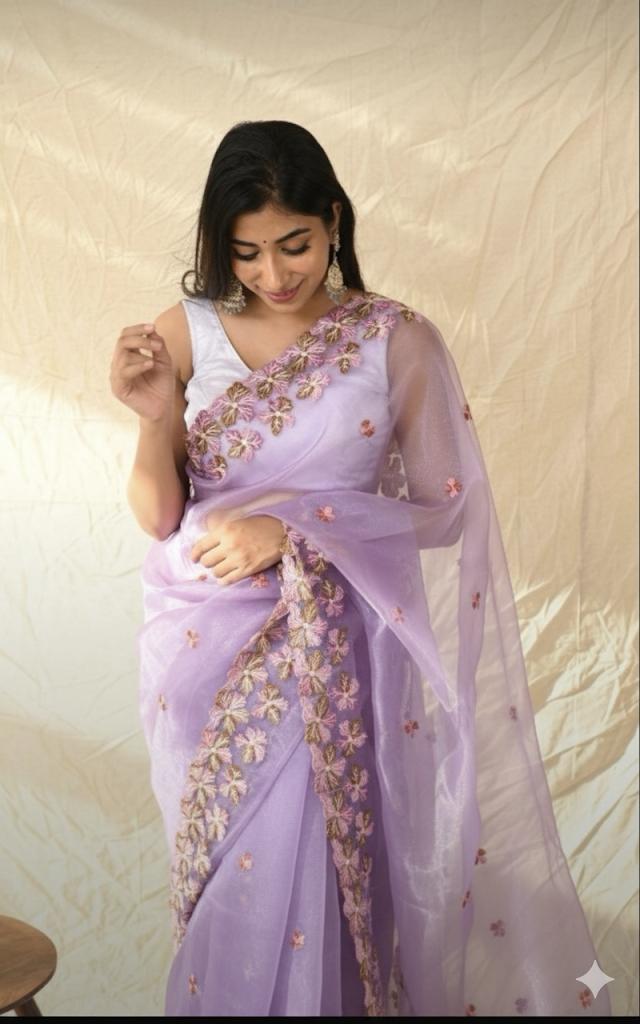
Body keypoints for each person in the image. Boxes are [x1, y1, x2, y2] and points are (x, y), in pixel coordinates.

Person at [110, 120, 611, 1018]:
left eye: (295, 243)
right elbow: (157, 516)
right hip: (197, 654)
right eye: (247, 252)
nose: (274, 273)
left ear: (334, 220)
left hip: (334, 650)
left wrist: (297, 529)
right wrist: (154, 418)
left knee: (322, 884)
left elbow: (445, 508)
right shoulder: (184, 331)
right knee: (229, 896)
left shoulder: (394, 339)